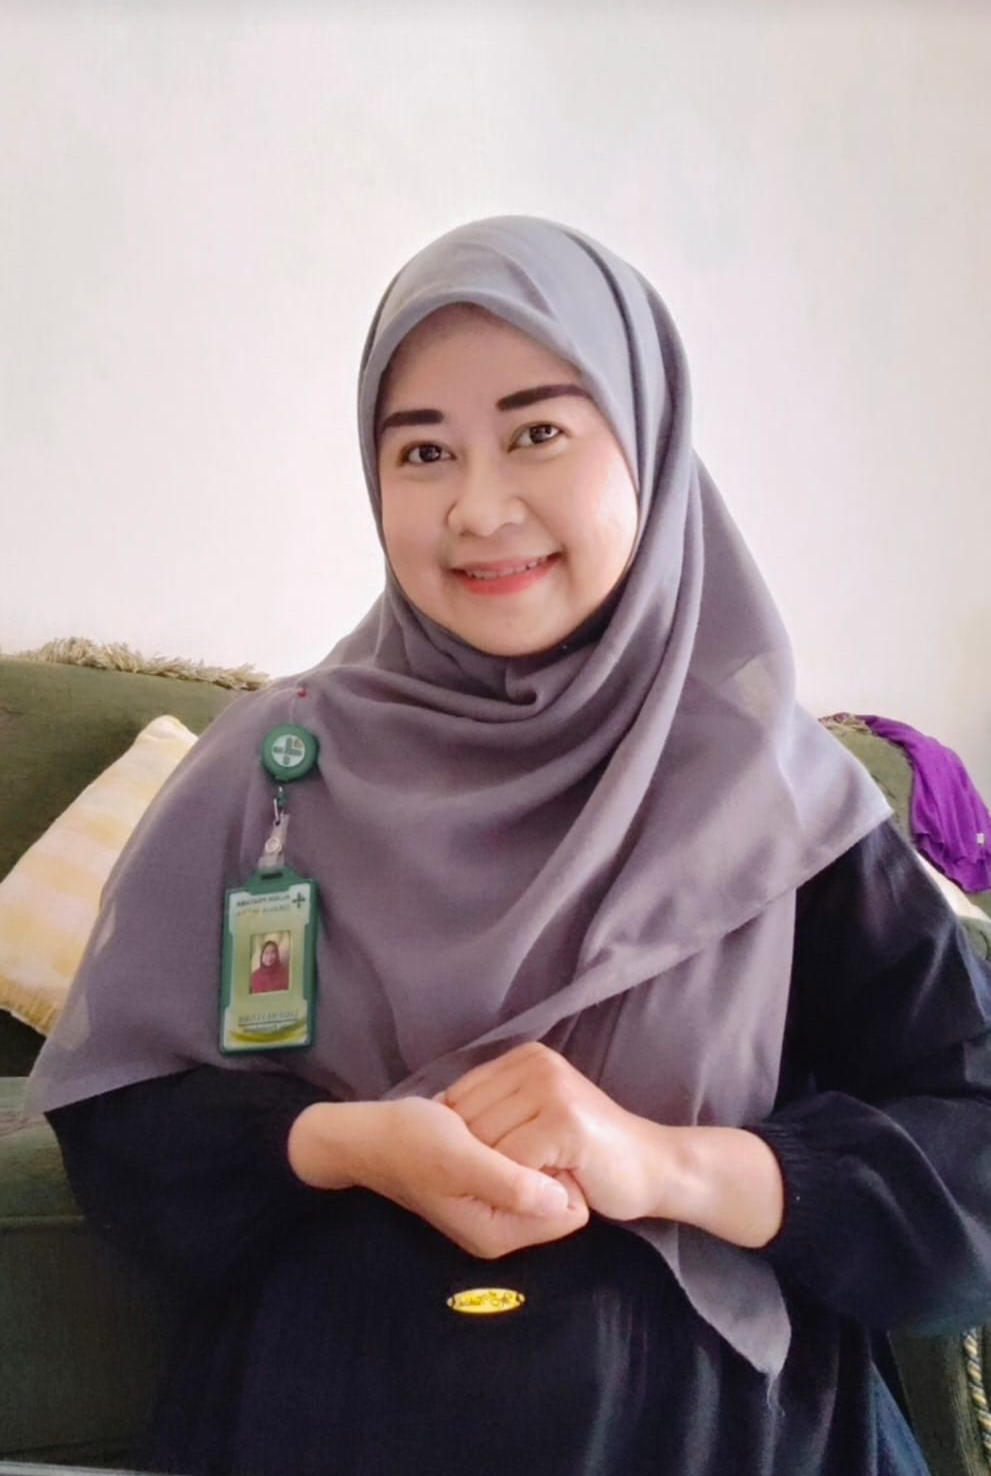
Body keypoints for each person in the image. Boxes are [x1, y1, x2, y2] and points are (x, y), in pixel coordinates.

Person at [25, 216, 991, 1476]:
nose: (479, 509)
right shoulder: (276, 769)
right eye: (423, 451)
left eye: (537, 433)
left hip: (710, 1427)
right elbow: (124, 1117)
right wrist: (348, 1144)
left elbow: (967, 1163)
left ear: (647, 443)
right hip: (333, 1411)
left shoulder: (780, 801)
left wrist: (663, 1164)